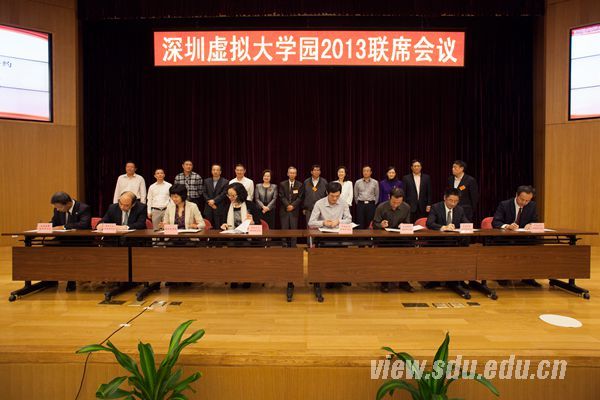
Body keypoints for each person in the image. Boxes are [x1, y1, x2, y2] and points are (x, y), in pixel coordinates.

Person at [492, 185, 540, 287]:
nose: (524, 203)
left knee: (534, 246)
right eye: (522, 199)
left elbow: (535, 220)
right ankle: (503, 276)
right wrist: (507, 226)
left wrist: (531, 224)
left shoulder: (532, 206)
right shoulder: (505, 204)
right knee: (506, 246)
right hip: (505, 238)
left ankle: (528, 277)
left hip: (524, 238)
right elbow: (495, 222)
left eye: (527, 201)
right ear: (516, 195)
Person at [221, 182, 262, 289]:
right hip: (232, 238)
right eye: (229, 195)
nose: (230, 198)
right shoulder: (227, 206)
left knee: (245, 255)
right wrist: (223, 225)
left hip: (247, 239)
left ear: (240, 194)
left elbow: (258, 224)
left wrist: (252, 222)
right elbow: (222, 222)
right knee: (232, 257)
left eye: (233, 195)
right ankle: (234, 278)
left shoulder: (250, 205)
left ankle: (247, 278)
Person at [372, 188, 412, 293]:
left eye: (399, 203)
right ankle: (385, 281)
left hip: (400, 238)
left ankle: (404, 281)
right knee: (386, 256)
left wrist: (404, 225)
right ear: (389, 197)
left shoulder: (406, 207)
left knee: (407, 254)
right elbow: (375, 224)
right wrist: (381, 225)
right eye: (394, 202)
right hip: (385, 238)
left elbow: (408, 222)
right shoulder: (381, 207)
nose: (396, 205)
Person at [50, 191, 92, 292]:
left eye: (60, 207)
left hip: (81, 240)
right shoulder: (57, 209)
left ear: (68, 204)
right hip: (63, 239)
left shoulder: (83, 208)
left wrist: (64, 226)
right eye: (56, 207)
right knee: (46, 248)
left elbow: (84, 224)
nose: (58, 209)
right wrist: (46, 226)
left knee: (69, 251)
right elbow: (54, 222)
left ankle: (71, 279)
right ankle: (49, 279)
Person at [203, 164, 228, 228]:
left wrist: (214, 201)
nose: (215, 171)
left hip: (219, 207)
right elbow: (204, 193)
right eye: (213, 170)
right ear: (211, 171)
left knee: (219, 228)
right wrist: (210, 202)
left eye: (217, 170)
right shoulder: (206, 181)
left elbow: (224, 194)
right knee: (208, 228)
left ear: (220, 172)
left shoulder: (225, 182)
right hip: (208, 208)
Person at [354, 165, 379, 229]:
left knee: (370, 223)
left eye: (367, 171)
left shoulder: (375, 182)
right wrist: (358, 203)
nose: (366, 172)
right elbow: (355, 195)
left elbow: (377, 194)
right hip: (360, 204)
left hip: (371, 205)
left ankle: (370, 235)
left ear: (371, 172)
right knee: (360, 222)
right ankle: (360, 235)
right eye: (364, 171)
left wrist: (373, 203)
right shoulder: (358, 182)